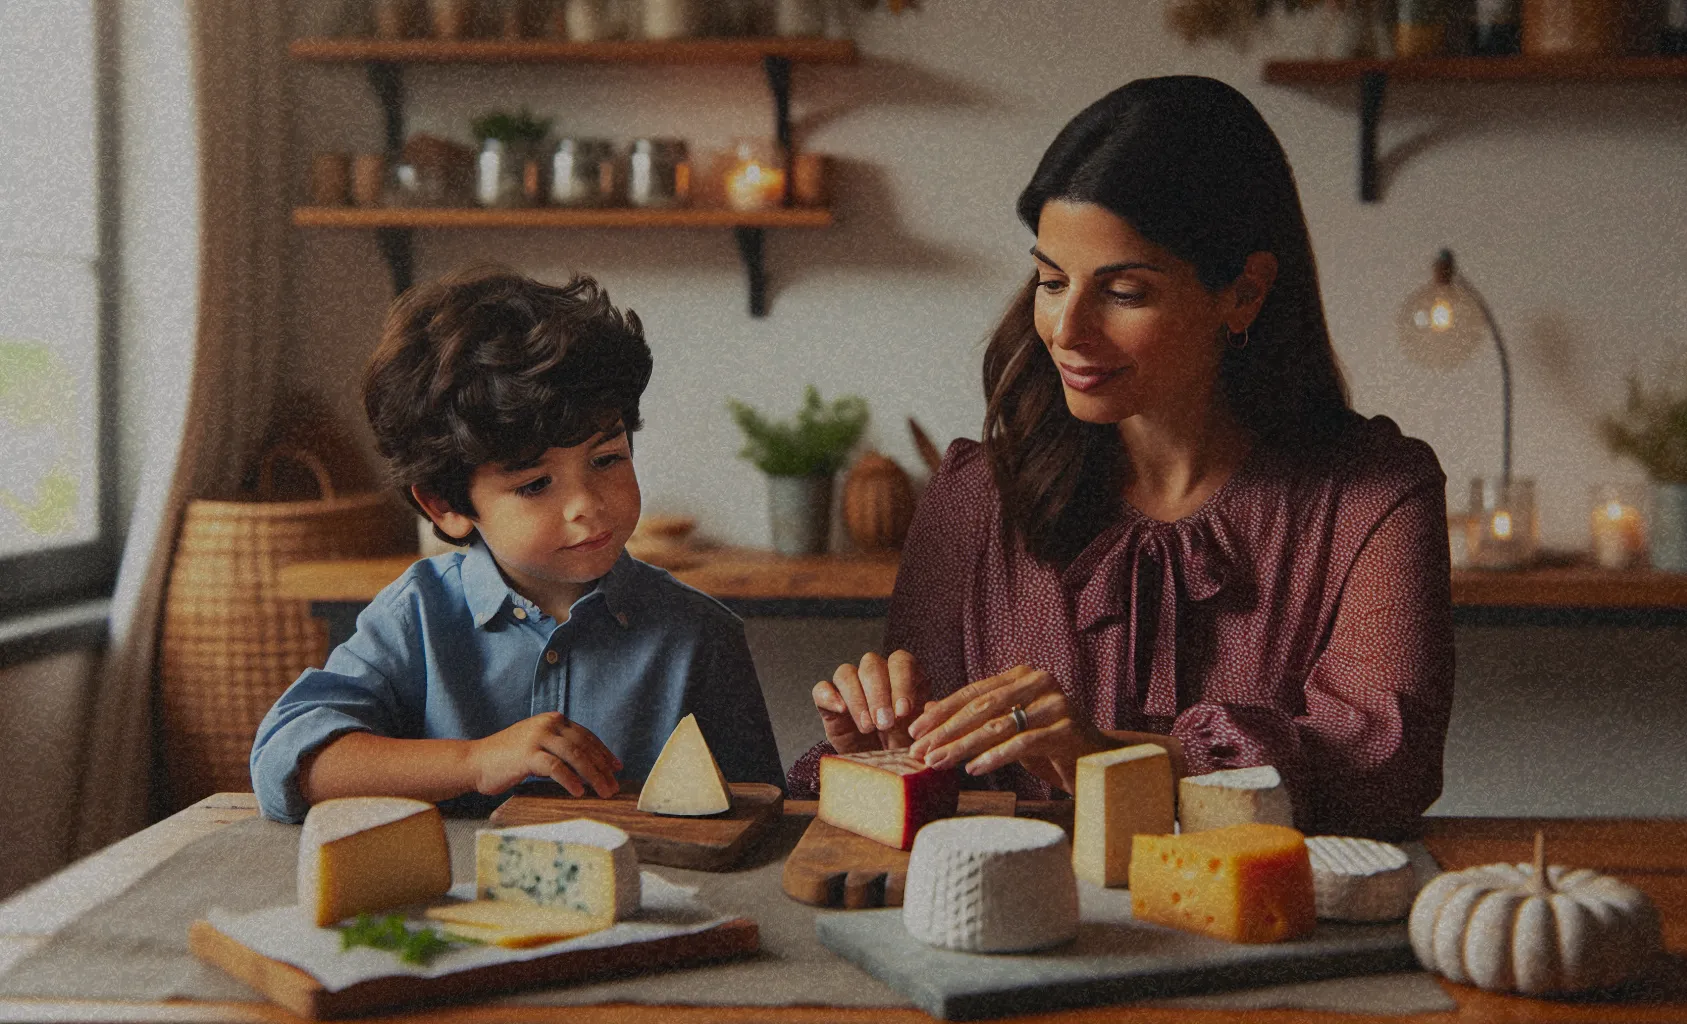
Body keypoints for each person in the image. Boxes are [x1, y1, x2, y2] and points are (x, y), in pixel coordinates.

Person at [787, 77, 1453, 840]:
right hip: (1022, 946)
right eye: (1050, 281)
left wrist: (1110, 755)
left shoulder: (1374, 497)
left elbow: (1383, 772)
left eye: (1124, 291)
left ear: (1242, 294)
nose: (1066, 328)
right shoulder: (974, 497)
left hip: (1273, 937)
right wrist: (892, 751)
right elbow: (938, 786)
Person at [252, 269, 784, 824]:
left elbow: (758, 816)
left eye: (607, 459)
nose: (587, 505)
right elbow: (286, 762)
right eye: (535, 485)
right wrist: (474, 761)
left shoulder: (702, 635)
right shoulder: (418, 617)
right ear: (445, 507)